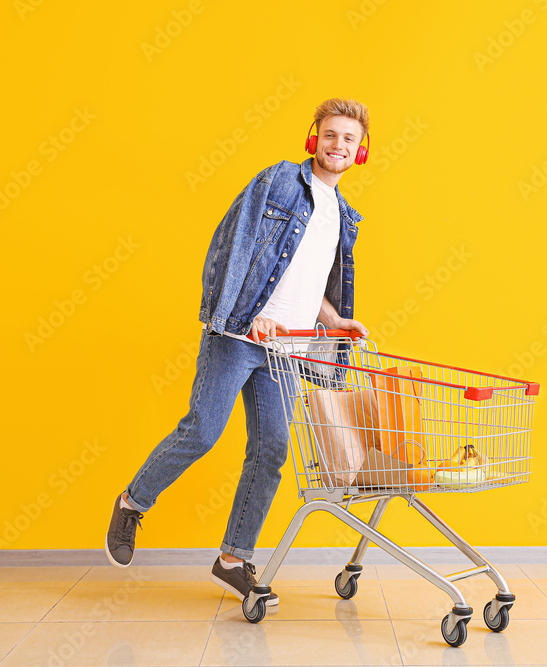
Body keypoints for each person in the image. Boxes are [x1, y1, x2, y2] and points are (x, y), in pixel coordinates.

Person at [105, 98, 371, 607]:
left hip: (286, 349)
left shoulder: (343, 216)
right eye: (331, 135)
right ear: (314, 138)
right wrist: (246, 318)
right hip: (238, 336)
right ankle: (132, 502)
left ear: (361, 152)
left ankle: (232, 559)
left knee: (271, 450)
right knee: (202, 430)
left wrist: (333, 321)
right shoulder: (276, 183)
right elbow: (231, 246)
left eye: (349, 139)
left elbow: (304, 277)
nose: (339, 145)